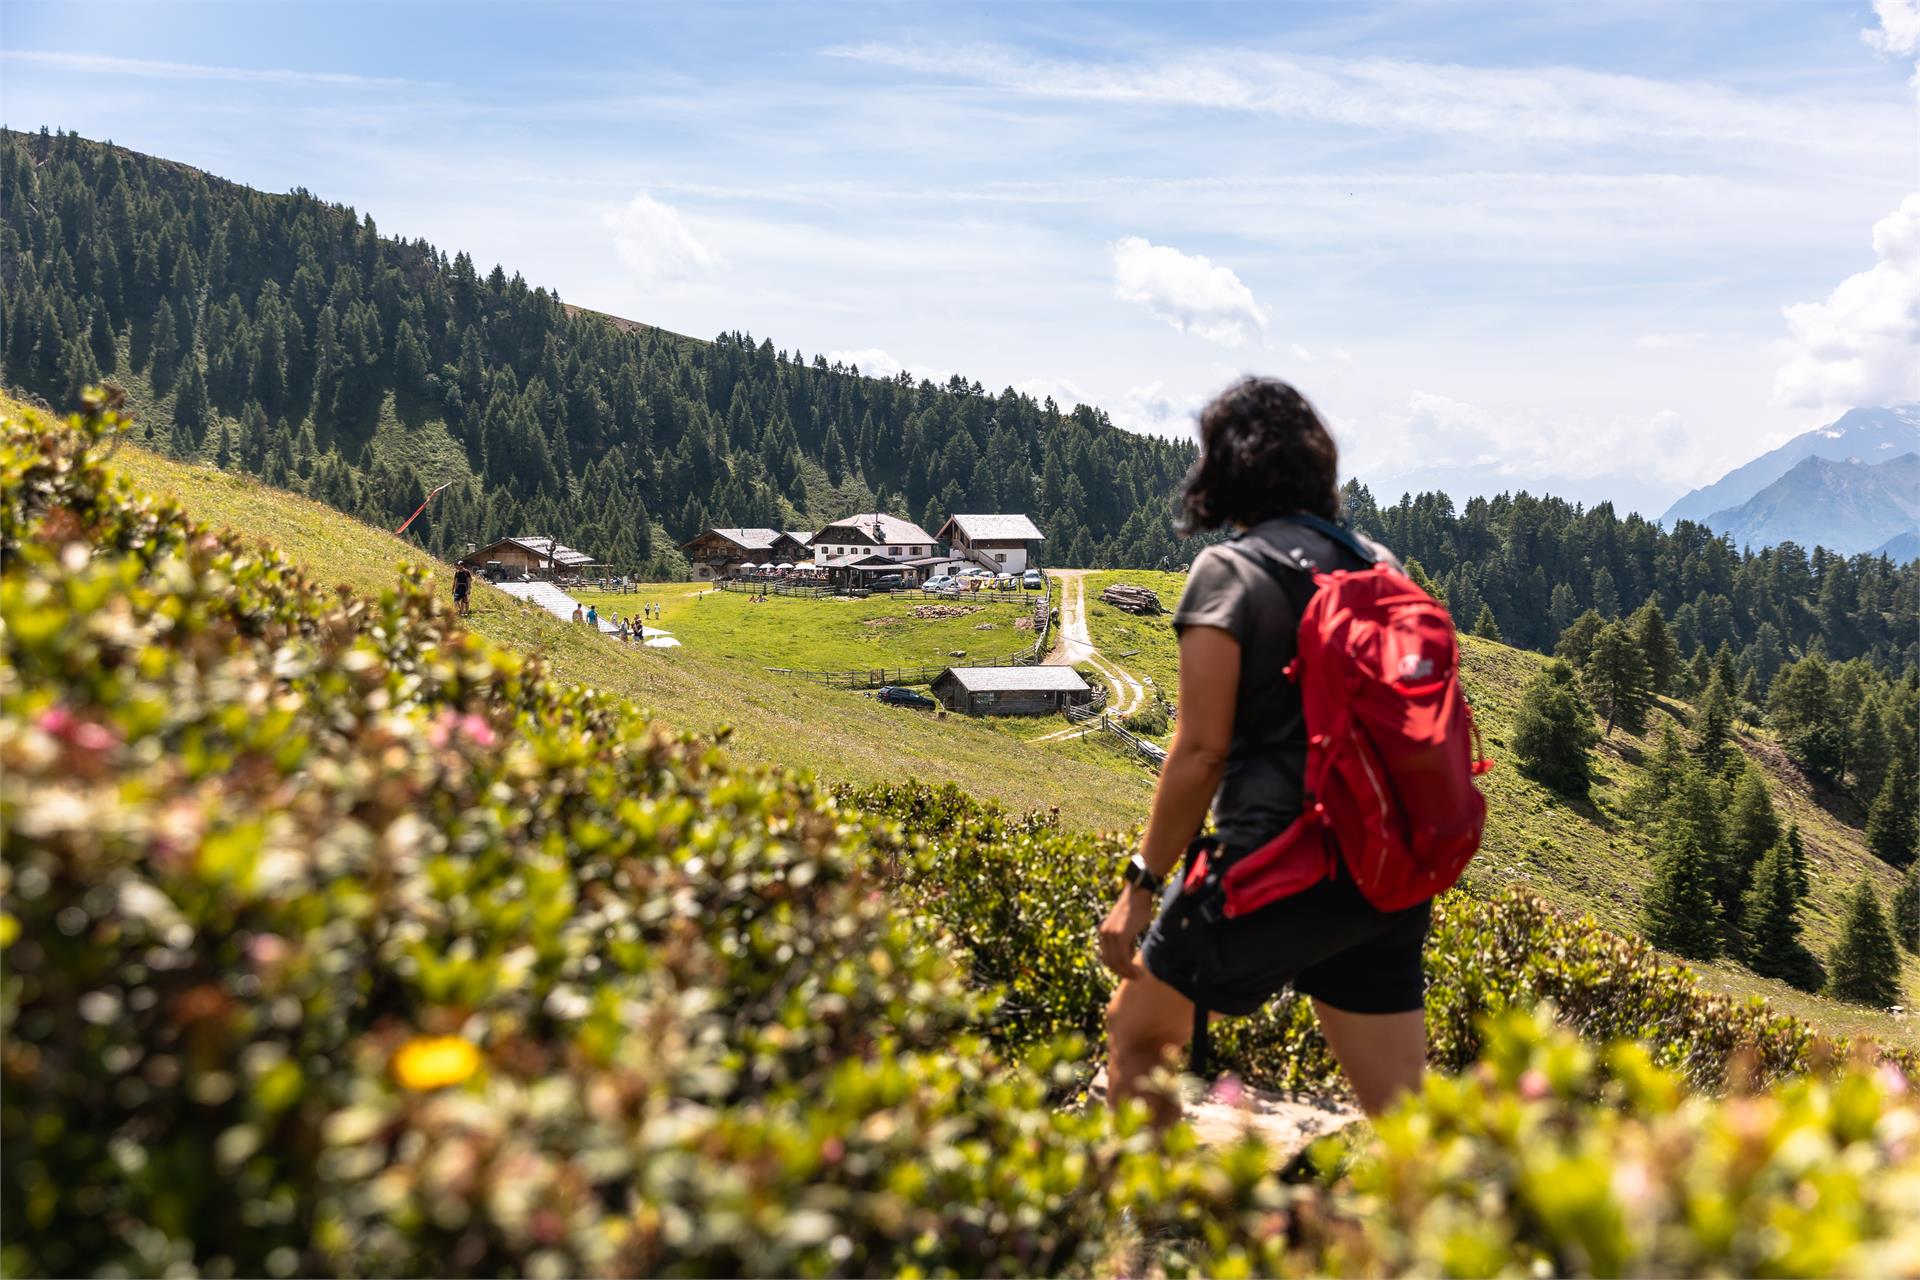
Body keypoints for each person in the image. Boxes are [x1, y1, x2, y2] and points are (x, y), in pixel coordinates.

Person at [1097, 376, 1426, 1122]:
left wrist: (1140, 884)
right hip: (1383, 870)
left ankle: (1159, 1233)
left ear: (1225, 470)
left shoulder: (1230, 574)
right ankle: (1470, 1236)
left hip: (1274, 865)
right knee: (1404, 1113)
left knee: (1137, 1038)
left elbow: (1200, 751)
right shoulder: (1381, 564)